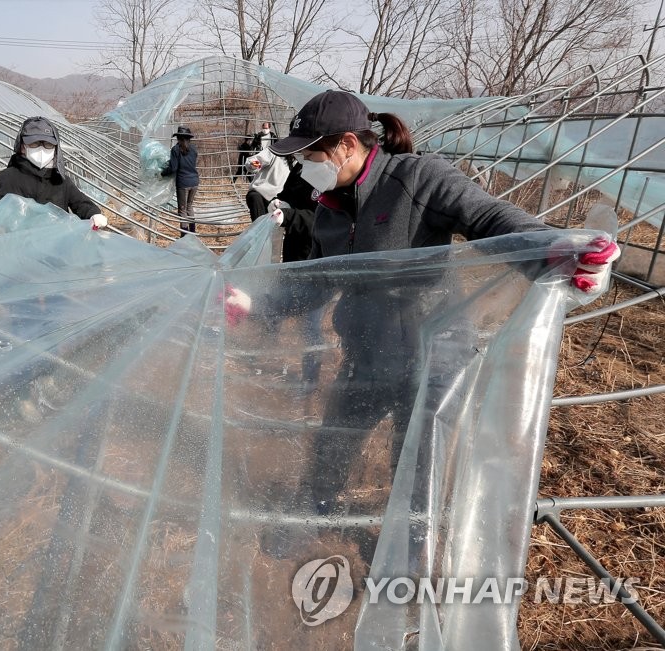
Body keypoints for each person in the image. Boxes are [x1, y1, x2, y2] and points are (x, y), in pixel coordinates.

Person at [223, 90, 620, 530]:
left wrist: (555, 250)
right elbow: (318, 282)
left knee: (415, 466)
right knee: (331, 447)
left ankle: (410, 556)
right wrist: (257, 303)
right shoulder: (330, 210)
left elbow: (490, 217)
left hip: (432, 357)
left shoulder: (416, 179)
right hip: (367, 354)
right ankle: (312, 519)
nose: (302, 167)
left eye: (309, 155)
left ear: (347, 146)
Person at [0, 116, 108, 230]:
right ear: (23, 147)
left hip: (56, 246)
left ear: (55, 149)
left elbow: (80, 203)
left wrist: (93, 214)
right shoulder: (8, 178)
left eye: (48, 145)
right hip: (20, 247)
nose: (42, 149)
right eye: (34, 144)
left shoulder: (59, 180)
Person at [161, 125, 200, 236]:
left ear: (178, 138)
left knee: (182, 210)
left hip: (183, 183)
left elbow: (173, 168)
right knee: (189, 207)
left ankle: (184, 236)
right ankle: (192, 232)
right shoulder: (194, 149)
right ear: (188, 138)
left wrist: (162, 173)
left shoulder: (176, 149)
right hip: (195, 182)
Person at [245, 147, 290, 222]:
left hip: (280, 198)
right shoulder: (275, 151)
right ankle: (258, 231)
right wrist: (254, 164)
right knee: (255, 198)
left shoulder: (301, 160)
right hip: (260, 193)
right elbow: (254, 161)